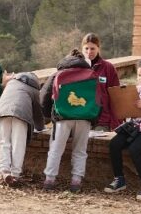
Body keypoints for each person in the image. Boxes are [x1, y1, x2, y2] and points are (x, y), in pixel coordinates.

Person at [103, 54, 141, 201]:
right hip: (133, 127)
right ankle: (119, 179)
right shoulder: (135, 89)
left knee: (134, 149)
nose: (140, 78)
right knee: (114, 144)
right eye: (138, 75)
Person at [39, 50, 97, 193]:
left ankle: (50, 179)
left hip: (62, 118)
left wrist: (48, 116)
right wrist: (93, 119)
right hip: (85, 117)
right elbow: (98, 99)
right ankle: (76, 181)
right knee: (80, 150)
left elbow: (44, 97)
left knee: (56, 149)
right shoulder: (91, 74)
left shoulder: (58, 74)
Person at [0, 72, 44, 185]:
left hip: (2, 113)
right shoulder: (33, 89)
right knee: (18, 144)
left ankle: (4, 171)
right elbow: (38, 112)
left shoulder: (11, 84)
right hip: (21, 115)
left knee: (4, 142)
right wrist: (40, 127)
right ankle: (15, 174)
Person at [81, 33, 121, 130]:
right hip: (80, 117)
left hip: (102, 119)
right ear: (82, 49)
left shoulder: (108, 67)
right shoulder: (77, 67)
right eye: (86, 48)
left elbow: (116, 95)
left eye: (92, 48)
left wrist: (116, 120)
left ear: (98, 48)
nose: (89, 52)